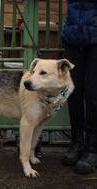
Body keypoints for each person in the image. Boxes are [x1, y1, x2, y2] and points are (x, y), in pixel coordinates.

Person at [61, 0, 97, 174]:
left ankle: (92, 149)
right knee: (73, 93)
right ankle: (77, 142)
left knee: (93, 94)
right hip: (73, 39)